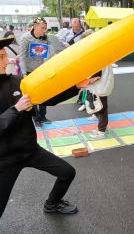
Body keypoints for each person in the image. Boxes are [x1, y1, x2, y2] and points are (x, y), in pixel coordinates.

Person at [0, 36, 98, 218]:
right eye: (1, 57)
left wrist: (76, 87)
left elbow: (45, 98)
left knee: (67, 172)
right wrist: (16, 109)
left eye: (5, 56)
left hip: (30, 151)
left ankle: (52, 204)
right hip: (5, 160)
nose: (7, 61)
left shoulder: (15, 82)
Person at [19, 17, 60, 127]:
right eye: (42, 28)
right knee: (32, 96)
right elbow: (21, 57)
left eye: (45, 28)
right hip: (28, 71)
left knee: (43, 94)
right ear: (35, 26)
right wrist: (23, 73)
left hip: (41, 71)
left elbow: (51, 52)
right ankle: (36, 118)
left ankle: (43, 116)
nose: (44, 30)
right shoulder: (25, 39)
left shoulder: (45, 38)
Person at [87, 64, 114, 139]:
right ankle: (102, 128)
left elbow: (96, 76)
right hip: (102, 87)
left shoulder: (100, 60)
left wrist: (85, 81)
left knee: (101, 110)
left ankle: (101, 131)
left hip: (100, 88)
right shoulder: (103, 58)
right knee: (101, 109)